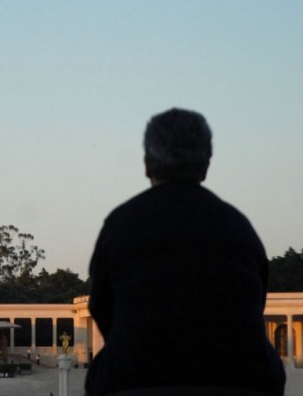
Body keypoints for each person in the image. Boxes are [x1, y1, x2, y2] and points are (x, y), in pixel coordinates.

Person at [85, 108, 285, 396]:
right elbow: (254, 303)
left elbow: (101, 306)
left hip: (137, 379)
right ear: (206, 164)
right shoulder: (239, 226)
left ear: (147, 164)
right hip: (242, 379)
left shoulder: (121, 223)